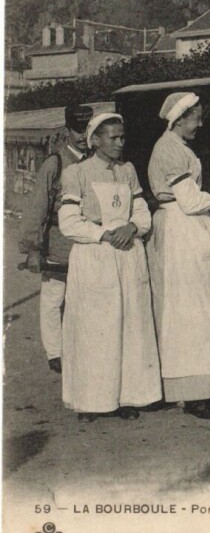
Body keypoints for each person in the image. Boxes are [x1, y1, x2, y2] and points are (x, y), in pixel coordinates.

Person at [147, 93, 210, 420]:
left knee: (197, 311)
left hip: (189, 232)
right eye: (195, 118)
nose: (200, 124)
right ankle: (190, 393)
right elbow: (190, 202)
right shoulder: (170, 150)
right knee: (189, 314)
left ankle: (197, 388)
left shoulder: (179, 148)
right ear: (179, 120)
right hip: (181, 231)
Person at [58, 113, 162, 421]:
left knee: (130, 327)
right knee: (97, 330)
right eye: (113, 137)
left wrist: (131, 227)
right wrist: (103, 234)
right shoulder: (77, 173)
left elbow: (142, 211)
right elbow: (68, 222)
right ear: (96, 140)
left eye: (122, 137)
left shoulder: (128, 170)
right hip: (96, 258)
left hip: (128, 256)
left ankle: (126, 397)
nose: (120, 142)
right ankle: (91, 400)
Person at [18, 103, 93, 373]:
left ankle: (79, 346)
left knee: (83, 299)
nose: (84, 136)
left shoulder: (96, 161)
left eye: (88, 129)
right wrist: (32, 248)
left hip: (88, 244)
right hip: (59, 243)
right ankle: (55, 352)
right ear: (67, 130)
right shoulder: (56, 162)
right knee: (54, 298)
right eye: (78, 130)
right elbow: (37, 207)